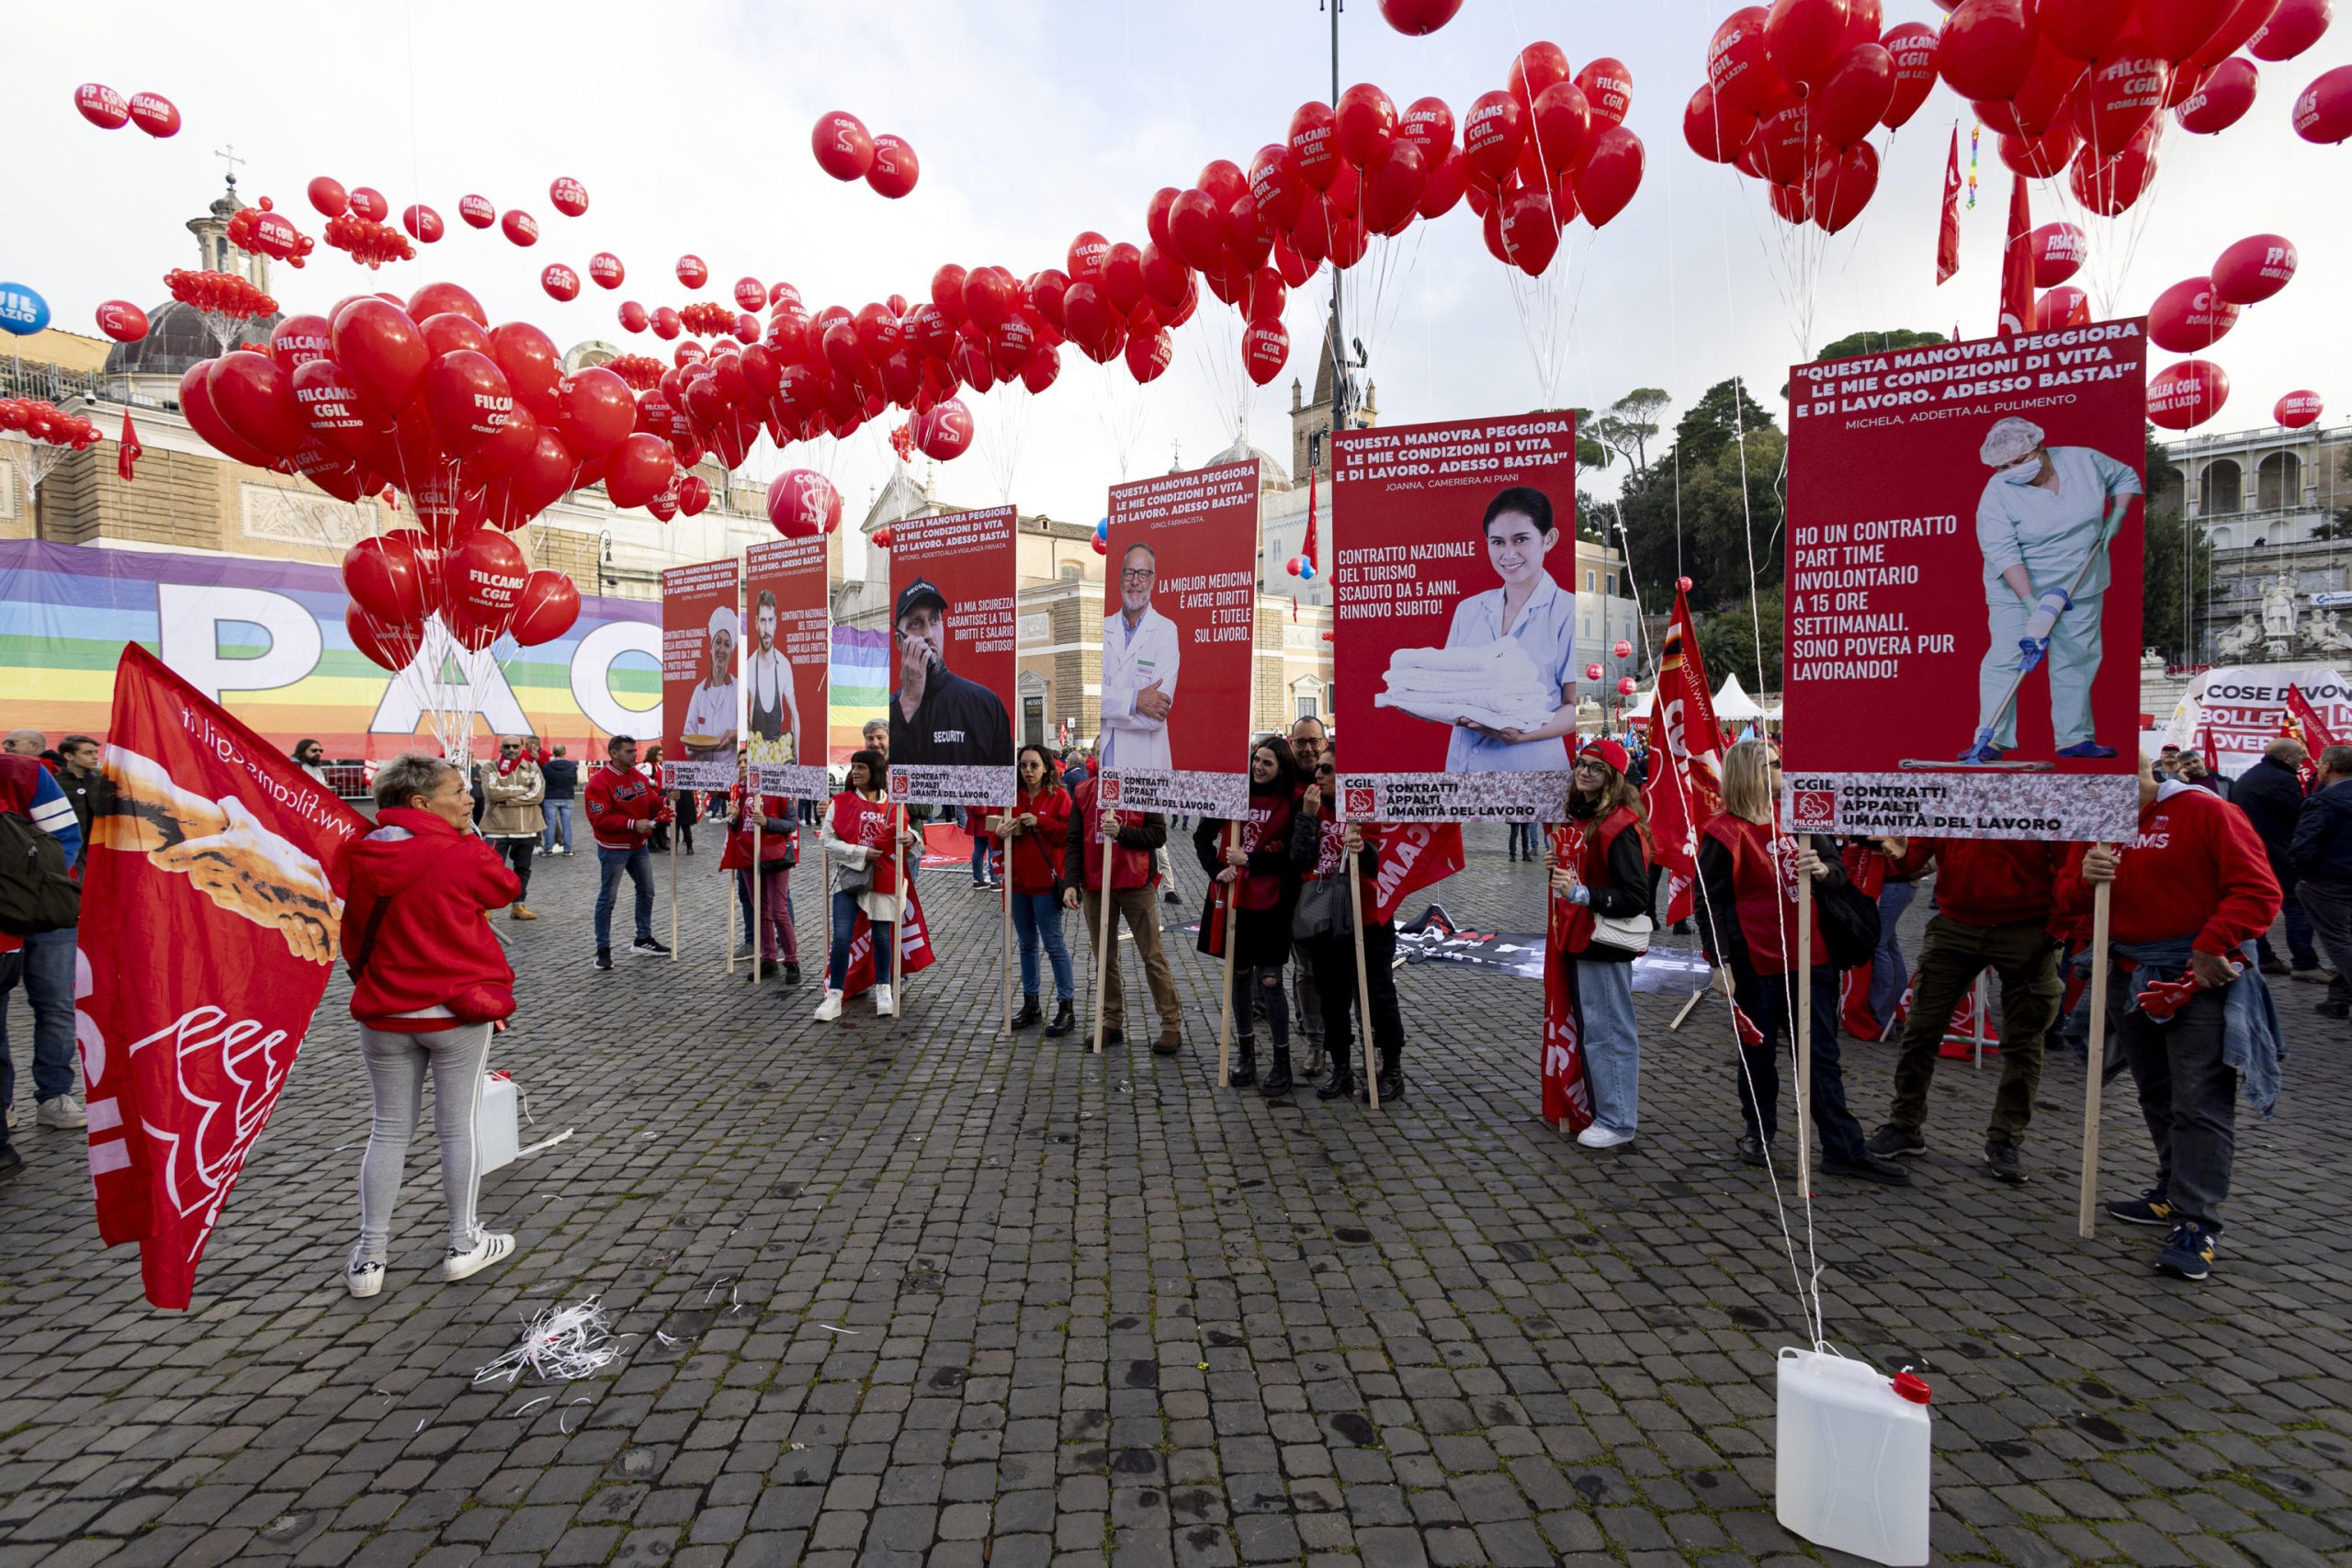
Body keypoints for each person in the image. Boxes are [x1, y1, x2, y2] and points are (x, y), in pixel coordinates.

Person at [2060, 753, 2282, 1281]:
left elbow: (2258, 889)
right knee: (2154, 1089)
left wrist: (2211, 947)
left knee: (2200, 1100)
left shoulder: (2206, 812)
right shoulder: (2092, 825)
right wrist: (2083, 881)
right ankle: (2170, 1188)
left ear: (2144, 776)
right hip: (2128, 971)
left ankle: (2197, 1221)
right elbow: (2067, 900)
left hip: (2194, 979)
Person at [338, 753, 521, 1297]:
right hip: (454, 1011)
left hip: (384, 1011)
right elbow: (506, 888)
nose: (470, 799)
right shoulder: (458, 850)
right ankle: (463, 1244)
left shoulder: (360, 851)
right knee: (455, 1126)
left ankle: (369, 1257)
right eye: (459, 791)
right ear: (422, 803)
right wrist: (466, 838)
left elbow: (352, 936)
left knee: (387, 1128)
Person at [1695, 739, 1909, 1183]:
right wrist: (1721, 962)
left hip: (1813, 957)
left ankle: (1842, 1147)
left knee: (1821, 1054)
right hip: (1756, 960)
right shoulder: (1722, 832)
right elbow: (1709, 903)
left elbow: (1839, 870)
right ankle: (1760, 1132)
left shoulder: (1801, 816)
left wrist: (1826, 871)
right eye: (1774, 764)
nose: (1782, 769)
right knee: (1758, 1053)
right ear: (1749, 772)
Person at [1864, 836, 2069, 1183]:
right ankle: (1905, 1124)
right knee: (1920, 1030)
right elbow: (1916, 855)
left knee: (2024, 1043)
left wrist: (2058, 927)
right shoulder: (1955, 787)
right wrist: (1901, 854)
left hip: (2027, 927)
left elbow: (2071, 866)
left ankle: (2005, 1139)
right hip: (1956, 924)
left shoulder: (2043, 790)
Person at [1962, 416, 2141, 762]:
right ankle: (1991, 740)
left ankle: (2074, 739)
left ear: (2038, 448)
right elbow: (2001, 550)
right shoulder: (1997, 493)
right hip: (2016, 590)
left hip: (2081, 579)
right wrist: (2030, 602)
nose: (2012, 469)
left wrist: (2117, 514)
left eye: (2018, 461)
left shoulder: (2082, 460)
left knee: (2077, 656)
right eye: (2004, 466)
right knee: (2006, 658)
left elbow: (2123, 476)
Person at [1421, 487, 1579, 773]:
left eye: (1520, 539)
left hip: (1533, 771)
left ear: (1549, 539)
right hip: (1464, 767)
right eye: (1497, 542)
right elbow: (1447, 688)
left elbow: (1573, 707)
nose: (1508, 554)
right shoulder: (1468, 610)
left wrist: (1522, 734)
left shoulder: (1567, 611)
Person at [1548, 739, 1651, 1148]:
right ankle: (1605, 1110)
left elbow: (1635, 896)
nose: (1584, 771)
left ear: (1613, 778)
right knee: (1596, 1029)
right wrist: (1560, 869)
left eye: (1595, 767)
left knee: (1608, 1031)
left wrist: (1581, 893)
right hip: (1580, 938)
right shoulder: (1586, 819)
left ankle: (1618, 1119)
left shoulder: (1619, 826)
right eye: (1581, 764)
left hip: (1603, 942)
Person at [1289, 762, 1410, 1103]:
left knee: (1379, 994)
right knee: (1332, 997)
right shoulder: (1310, 805)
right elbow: (1299, 860)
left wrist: (1364, 849)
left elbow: (1381, 861)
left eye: (1327, 769)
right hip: (1326, 916)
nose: (1318, 775)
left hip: (1369, 915)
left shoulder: (1367, 804)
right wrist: (1308, 817)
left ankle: (1392, 1070)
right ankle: (1341, 1069)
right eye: (1317, 769)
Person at [1195, 738, 1306, 1094]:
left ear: (1282, 767)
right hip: (1235, 902)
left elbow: (1297, 859)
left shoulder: (1296, 800)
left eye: (1268, 763)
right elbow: (1202, 836)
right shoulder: (1232, 792)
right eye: (1256, 760)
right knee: (1239, 977)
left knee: (1271, 982)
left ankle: (1281, 1061)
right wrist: (1216, 870)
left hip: (1273, 906)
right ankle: (1245, 1055)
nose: (1259, 767)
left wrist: (1252, 861)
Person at [0, 752, 85, 1163]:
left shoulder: (23, 772)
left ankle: (54, 1095)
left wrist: (30, 889)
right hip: (4, 915)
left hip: (47, 906)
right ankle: (3, 1106)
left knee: (54, 1004)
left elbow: (66, 836)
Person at [1061, 767, 1181, 1053]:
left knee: (1152, 955)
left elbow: (1158, 835)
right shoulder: (1083, 791)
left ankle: (1170, 1024)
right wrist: (1070, 882)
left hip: (1135, 883)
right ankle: (1111, 1021)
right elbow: (1075, 840)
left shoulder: (1143, 787)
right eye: (1104, 750)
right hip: (1095, 885)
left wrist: (1123, 832)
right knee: (1104, 957)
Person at [816, 749, 914, 1021]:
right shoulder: (841, 801)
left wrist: (912, 837)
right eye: (853, 767)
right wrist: (859, 853)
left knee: (882, 937)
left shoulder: (896, 803)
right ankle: (834, 994)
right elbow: (826, 840)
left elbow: (914, 830)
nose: (855, 772)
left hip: (884, 876)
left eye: (861, 767)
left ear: (876, 771)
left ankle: (884, 988)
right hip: (849, 878)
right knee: (842, 937)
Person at [889, 579, 1013, 770]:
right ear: (899, 641)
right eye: (916, 623)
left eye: (934, 620)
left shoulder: (985, 703)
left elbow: (1006, 786)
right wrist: (908, 701)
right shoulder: (886, 711)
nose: (929, 634)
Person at [999, 744, 1077, 1035]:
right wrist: (999, 833)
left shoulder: (1060, 797)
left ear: (1046, 767)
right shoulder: (1012, 797)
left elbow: (1070, 836)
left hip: (1046, 885)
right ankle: (1031, 1004)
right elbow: (996, 840)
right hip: (1018, 884)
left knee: (1054, 945)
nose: (1027, 771)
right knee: (1027, 945)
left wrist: (1041, 821)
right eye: (1023, 765)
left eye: (1033, 765)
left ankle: (1066, 1007)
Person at [2232, 738, 2322, 979]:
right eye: (2301, 755)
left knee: (2256, 905)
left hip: (2254, 850)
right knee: (2296, 905)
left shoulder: (2255, 774)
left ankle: (2265, 958)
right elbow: (2301, 815)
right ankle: (2306, 964)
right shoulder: (2281, 779)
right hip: (2277, 852)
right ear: (2286, 758)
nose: (2304, 760)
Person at [585, 734, 671, 970]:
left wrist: (665, 801)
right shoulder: (599, 782)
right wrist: (633, 824)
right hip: (614, 849)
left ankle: (643, 938)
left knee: (647, 891)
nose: (635, 754)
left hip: (638, 846)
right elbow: (599, 818)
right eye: (629, 751)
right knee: (608, 898)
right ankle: (603, 949)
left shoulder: (637, 776)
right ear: (614, 753)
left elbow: (652, 803)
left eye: (635, 750)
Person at [1099, 543, 1181, 770]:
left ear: (1153, 580)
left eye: (1143, 574)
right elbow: (1090, 701)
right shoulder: (1102, 628)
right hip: (1108, 763)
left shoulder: (1166, 630)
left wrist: (1108, 708)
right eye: (1129, 573)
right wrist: (1135, 701)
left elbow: (1155, 716)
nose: (1135, 581)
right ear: (1120, 578)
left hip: (1148, 768)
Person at [722, 754, 800, 985]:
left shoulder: (778, 789)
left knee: (779, 910)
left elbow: (792, 824)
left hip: (774, 857)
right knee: (760, 911)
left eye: (748, 762)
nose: (743, 766)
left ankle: (792, 960)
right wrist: (734, 818)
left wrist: (768, 823)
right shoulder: (741, 792)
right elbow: (737, 827)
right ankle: (768, 958)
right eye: (741, 762)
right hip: (749, 856)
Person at [2289, 742, 2352, 1020]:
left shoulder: (2322, 802)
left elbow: (2304, 847)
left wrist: (2305, 872)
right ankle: (2338, 1000)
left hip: (2328, 882)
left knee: (2339, 942)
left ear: (2327, 767)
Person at [1285, 716, 1331, 1073]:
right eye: (1301, 742)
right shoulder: (1286, 781)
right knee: (1307, 971)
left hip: (1346, 894)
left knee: (1347, 973)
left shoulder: (1345, 783)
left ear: (1325, 740)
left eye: (1313, 741)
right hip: (1300, 891)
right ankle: (1315, 1043)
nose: (1308, 748)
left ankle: (1369, 1044)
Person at [476, 738, 545, 921]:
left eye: (515, 746)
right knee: (491, 870)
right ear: (501, 748)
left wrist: (507, 798)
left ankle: (518, 905)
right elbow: (492, 793)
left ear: (522, 748)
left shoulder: (532, 768)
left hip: (526, 828)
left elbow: (538, 795)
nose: (511, 749)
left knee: (523, 869)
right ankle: (486, 906)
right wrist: (522, 791)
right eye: (507, 746)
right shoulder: (489, 768)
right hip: (496, 828)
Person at [745, 588, 803, 768]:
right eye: (763, 621)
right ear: (755, 622)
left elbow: (794, 715)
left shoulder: (784, 666)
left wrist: (797, 756)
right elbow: (739, 715)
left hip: (780, 758)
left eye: (770, 620)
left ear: (776, 622)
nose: (767, 629)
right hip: (756, 759)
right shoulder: (748, 666)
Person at [682, 605, 741, 766]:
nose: (721, 649)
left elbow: (752, 735)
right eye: (718, 642)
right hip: (704, 774)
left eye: (727, 644)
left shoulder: (738, 689)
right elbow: (688, 739)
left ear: (731, 652)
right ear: (710, 647)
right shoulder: (699, 692)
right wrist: (696, 747)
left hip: (730, 773)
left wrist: (735, 735)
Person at [54, 735, 100, 872]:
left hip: (98, 849)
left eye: (96, 752)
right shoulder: (54, 783)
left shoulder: (104, 782)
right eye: (88, 753)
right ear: (69, 756)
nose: (95, 757)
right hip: (67, 850)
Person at [540, 744, 578, 855]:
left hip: (550, 797)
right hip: (567, 797)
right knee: (566, 824)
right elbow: (574, 782)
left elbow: (543, 781)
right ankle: (567, 849)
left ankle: (548, 849)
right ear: (564, 752)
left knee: (550, 824)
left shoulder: (546, 767)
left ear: (553, 752)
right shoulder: (572, 766)